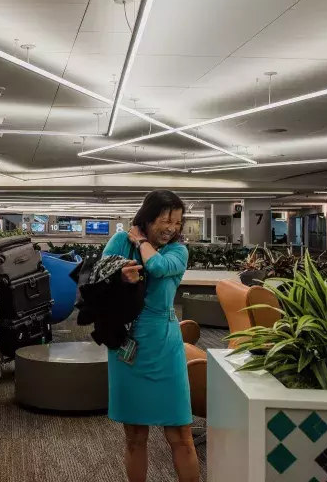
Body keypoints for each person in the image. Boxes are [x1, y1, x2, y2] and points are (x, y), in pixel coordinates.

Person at [103, 190, 198, 482]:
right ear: (148, 216)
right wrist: (120, 276)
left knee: (180, 433)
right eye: (166, 220)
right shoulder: (120, 241)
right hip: (126, 344)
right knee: (133, 434)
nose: (172, 228)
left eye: (178, 222)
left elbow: (157, 267)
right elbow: (98, 277)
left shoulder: (178, 251)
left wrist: (142, 241)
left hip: (163, 344)